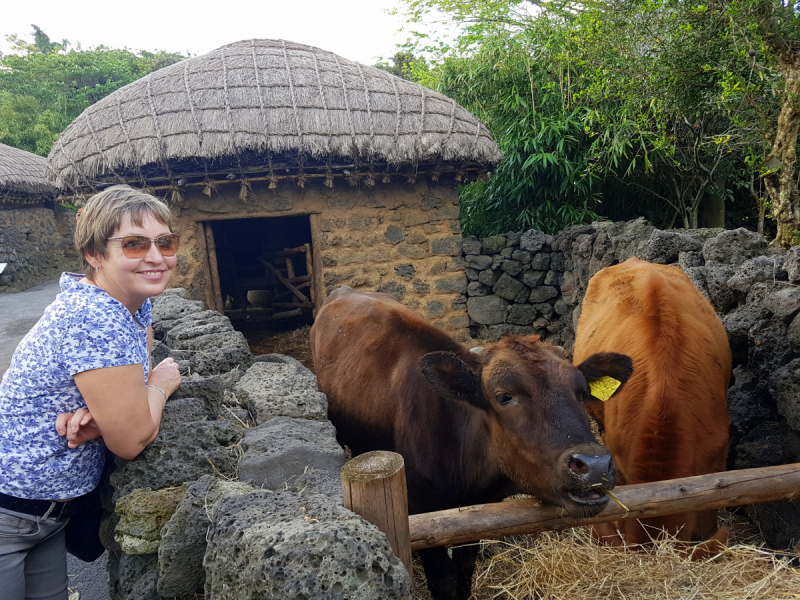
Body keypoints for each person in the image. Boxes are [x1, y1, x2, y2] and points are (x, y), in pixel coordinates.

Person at [0, 185, 182, 600]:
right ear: (94, 254)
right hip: (10, 510)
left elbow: (129, 388)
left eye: (165, 242)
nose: (156, 256)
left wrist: (104, 416)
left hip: (45, 514)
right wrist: (160, 385)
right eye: (134, 244)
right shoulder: (93, 317)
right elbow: (132, 438)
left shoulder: (132, 302)